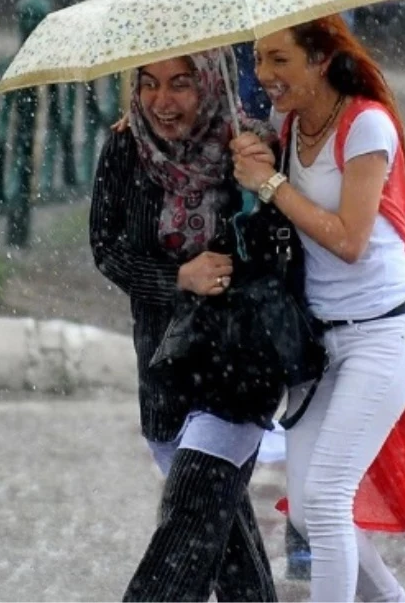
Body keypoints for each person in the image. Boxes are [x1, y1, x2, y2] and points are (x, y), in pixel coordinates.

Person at [230, 14, 405, 602]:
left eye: (279, 60)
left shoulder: (367, 124)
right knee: (308, 505)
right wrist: (256, 159)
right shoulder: (289, 121)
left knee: (325, 498)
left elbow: (349, 240)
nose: (264, 74)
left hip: (384, 331)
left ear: (320, 60)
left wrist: (272, 183)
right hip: (320, 342)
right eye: (257, 59)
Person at [89, 47, 287, 602]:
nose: (162, 101)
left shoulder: (251, 147)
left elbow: (285, 247)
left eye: (180, 83)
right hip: (163, 364)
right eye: (148, 84)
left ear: (208, 82)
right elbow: (107, 249)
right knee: (222, 538)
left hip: (240, 363)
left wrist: (263, 182)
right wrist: (180, 276)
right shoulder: (126, 147)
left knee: (189, 519)